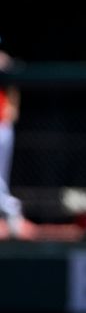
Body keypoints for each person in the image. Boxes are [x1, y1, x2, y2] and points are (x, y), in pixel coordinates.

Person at [0, 46, 24, 238]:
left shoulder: (4, 60)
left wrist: (13, 107)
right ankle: (10, 209)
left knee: (1, 175)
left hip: (2, 124)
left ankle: (10, 210)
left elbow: (13, 84)